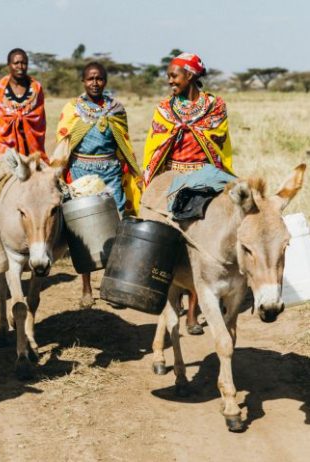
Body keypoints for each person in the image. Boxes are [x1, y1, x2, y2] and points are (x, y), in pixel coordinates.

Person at [143, 52, 233, 334]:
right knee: (166, 238)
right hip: (172, 178)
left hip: (206, 179)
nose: (170, 80)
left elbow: (217, 138)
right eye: (169, 76)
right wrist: (178, 131)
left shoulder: (216, 107)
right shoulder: (164, 109)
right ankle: (165, 295)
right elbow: (157, 139)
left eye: (174, 75)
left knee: (204, 241)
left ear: (191, 76)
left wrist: (192, 129)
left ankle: (194, 310)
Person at [55, 62, 142, 308]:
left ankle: (111, 283)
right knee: (83, 230)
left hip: (111, 172)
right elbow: (64, 142)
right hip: (81, 171)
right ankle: (85, 287)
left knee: (116, 227)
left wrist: (135, 173)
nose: (95, 83)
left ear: (105, 81)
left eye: (100, 79)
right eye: (90, 79)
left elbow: (124, 143)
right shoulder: (72, 109)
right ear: (83, 81)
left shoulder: (116, 109)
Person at [0, 48, 46, 159]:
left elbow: (39, 120)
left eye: (24, 63)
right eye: (16, 63)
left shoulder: (36, 88)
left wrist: (23, 121)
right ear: (9, 65)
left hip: (31, 143)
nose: (20, 66)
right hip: (5, 146)